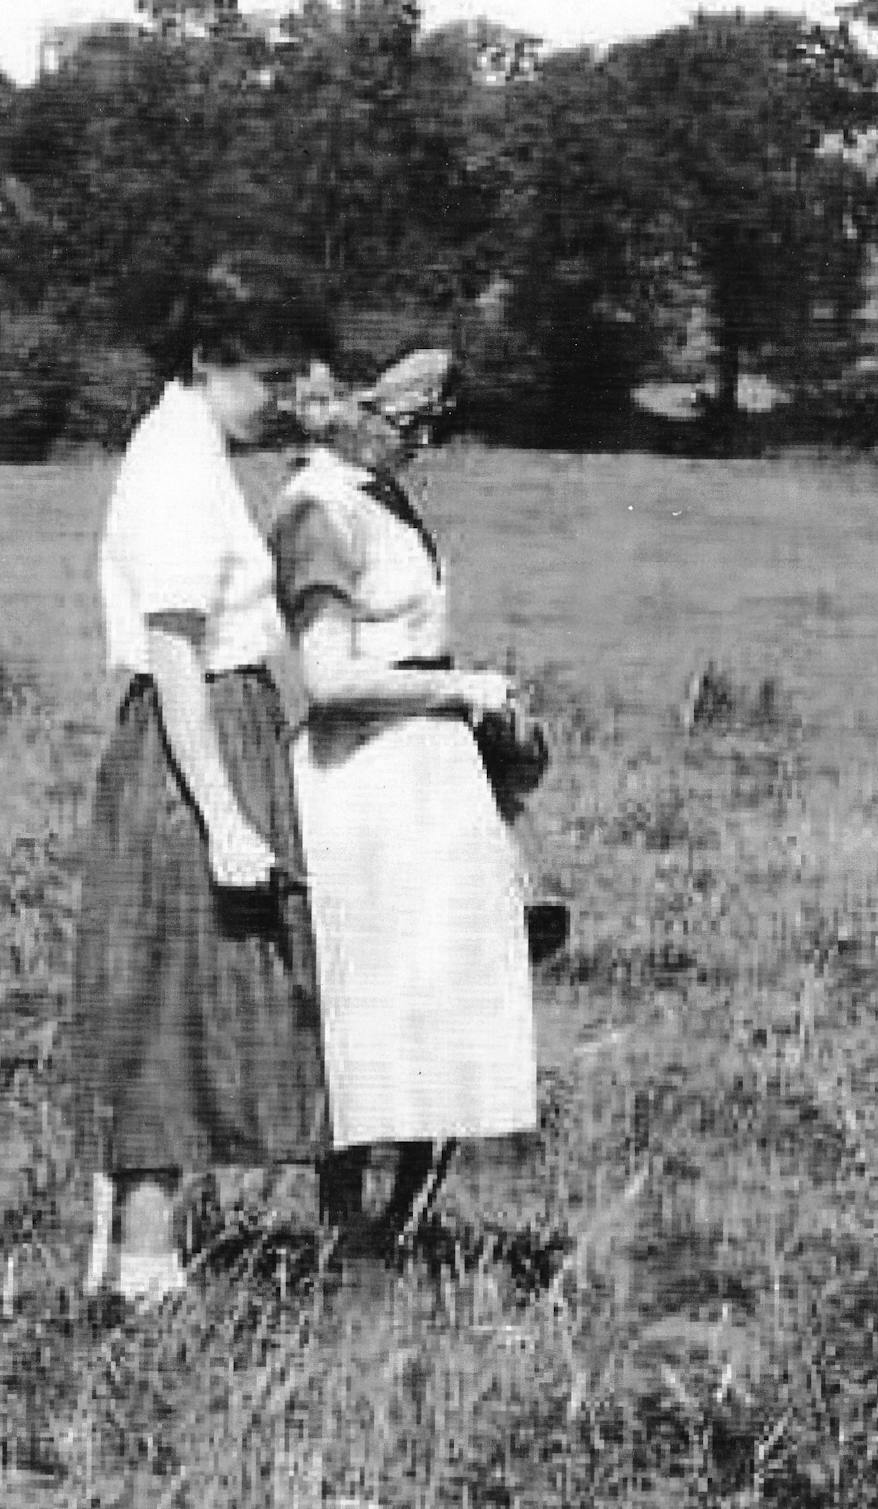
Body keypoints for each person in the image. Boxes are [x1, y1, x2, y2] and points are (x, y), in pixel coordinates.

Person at [74, 264, 333, 1307]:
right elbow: (174, 651)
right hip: (195, 747)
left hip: (223, 730)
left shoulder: (192, 449)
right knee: (172, 995)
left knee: (199, 990)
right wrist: (224, 817)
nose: (278, 402)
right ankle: (142, 1262)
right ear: (204, 362)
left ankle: (141, 1249)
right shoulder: (174, 463)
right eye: (267, 377)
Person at [270, 365, 537, 1255]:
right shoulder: (318, 507)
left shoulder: (382, 498)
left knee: (446, 996)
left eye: (431, 422)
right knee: (364, 1008)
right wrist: (464, 688)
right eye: (408, 421)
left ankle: (403, 1220)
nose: (422, 439)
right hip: (364, 787)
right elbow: (328, 677)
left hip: (430, 776)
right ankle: (347, 1227)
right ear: (347, 407)